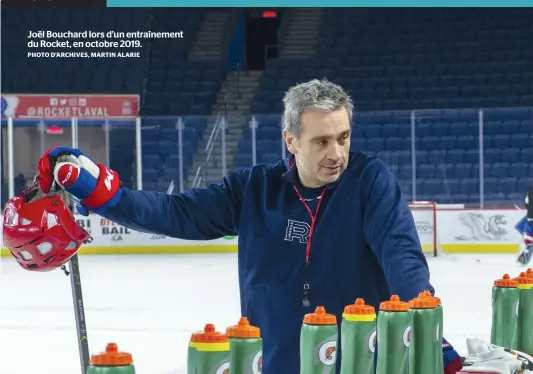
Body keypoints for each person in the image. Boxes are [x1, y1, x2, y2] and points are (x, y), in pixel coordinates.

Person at [33, 79, 462, 373]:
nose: (337, 153)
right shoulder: (255, 188)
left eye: (344, 138)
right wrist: (107, 197)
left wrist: (426, 327)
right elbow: (178, 212)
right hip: (272, 363)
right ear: (290, 140)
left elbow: (401, 254)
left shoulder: (370, 180)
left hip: (357, 364)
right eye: (321, 141)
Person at [517, 186, 533, 265]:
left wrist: (530, 209)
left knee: (530, 237)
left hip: (531, 217)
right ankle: (524, 257)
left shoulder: (530, 189)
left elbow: (526, 202)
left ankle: (524, 256)